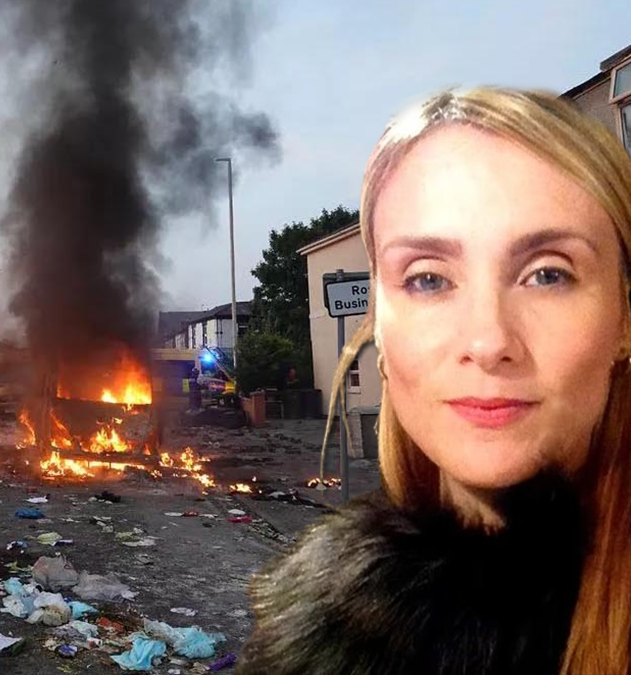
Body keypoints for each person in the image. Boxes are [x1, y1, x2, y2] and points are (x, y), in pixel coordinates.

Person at [237, 88, 631, 675]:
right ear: (382, 334)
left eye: (547, 274)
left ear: (622, 318)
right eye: (427, 280)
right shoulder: (324, 639)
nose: (488, 341)